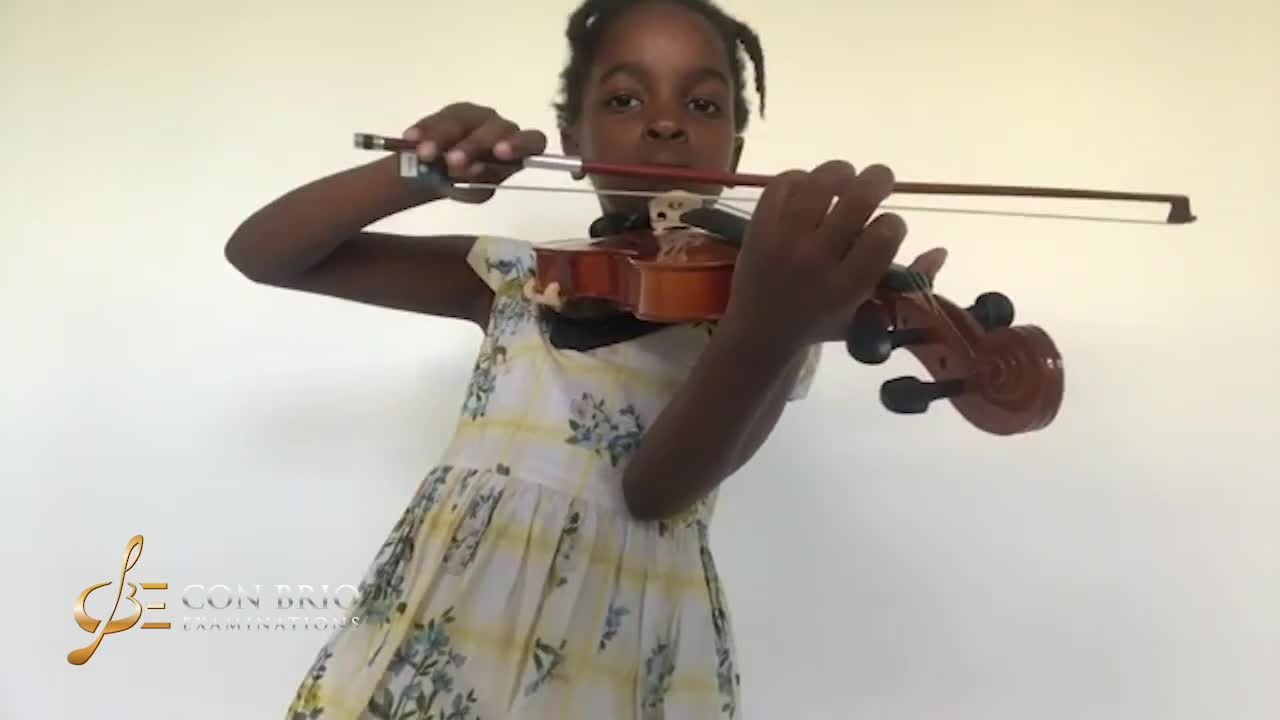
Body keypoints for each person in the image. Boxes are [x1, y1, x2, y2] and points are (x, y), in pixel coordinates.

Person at [225, 0, 946, 716]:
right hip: (448, 633)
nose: (666, 124)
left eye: (701, 104)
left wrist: (773, 326)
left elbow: (656, 492)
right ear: (574, 139)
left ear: (733, 156)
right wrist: (417, 170)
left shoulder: (768, 323)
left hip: (615, 661)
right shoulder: (513, 279)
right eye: (626, 99)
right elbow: (264, 254)